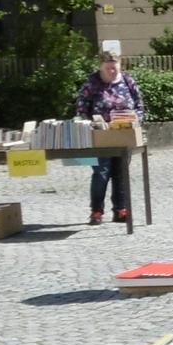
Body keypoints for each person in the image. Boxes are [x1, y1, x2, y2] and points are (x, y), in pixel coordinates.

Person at [74, 50, 143, 225]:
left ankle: (120, 210)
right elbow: (81, 108)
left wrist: (136, 121)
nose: (111, 71)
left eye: (114, 68)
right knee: (101, 173)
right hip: (100, 136)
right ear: (101, 67)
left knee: (121, 173)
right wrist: (90, 124)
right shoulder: (92, 82)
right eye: (108, 68)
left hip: (123, 134)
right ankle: (96, 211)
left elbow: (139, 105)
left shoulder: (128, 81)